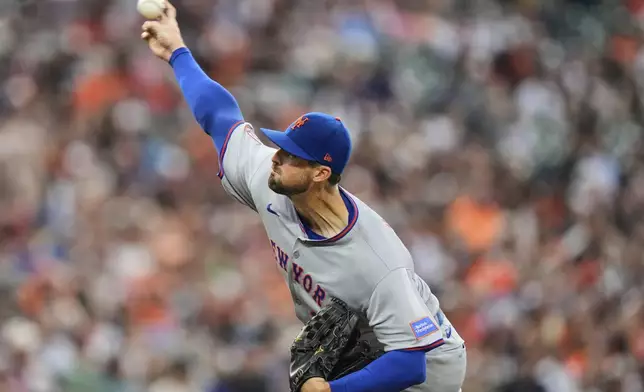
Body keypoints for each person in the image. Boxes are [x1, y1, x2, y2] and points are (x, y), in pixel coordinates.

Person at [140, 3, 467, 391]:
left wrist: (331, 391)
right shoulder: (271, 177)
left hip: (428, 373)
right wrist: (178, 52)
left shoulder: (378, 261)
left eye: (291, 155)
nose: (276, 156)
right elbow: (220, 116)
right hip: (368, 351)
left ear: (320, 173)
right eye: (280, 145)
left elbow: (411, 363)